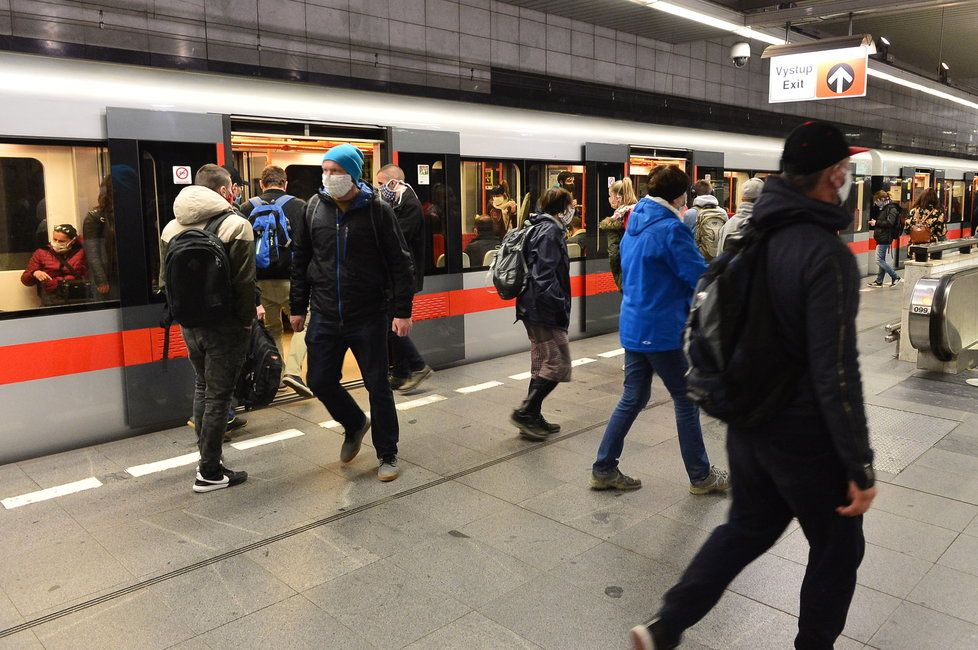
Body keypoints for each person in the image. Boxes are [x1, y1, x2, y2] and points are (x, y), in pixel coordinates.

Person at [631, 121, 876, 650]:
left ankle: (665, 624)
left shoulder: (753, 235)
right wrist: (858, 464)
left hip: (747, 419)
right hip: (802, 434)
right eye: (846, 170)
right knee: (839, 546)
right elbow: (835, 369)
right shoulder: (827, 256)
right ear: (833, 177)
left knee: (745, 527)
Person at [590, 165, 728, 494]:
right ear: (680, 196)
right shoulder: (670, 228)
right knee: (685, 399)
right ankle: (701, 475)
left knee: (633, 396)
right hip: (662, 330)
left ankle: (604, 467)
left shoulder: (633, 223)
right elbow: (696, 275)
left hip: (634, 325)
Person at [290, 144, 415, 482]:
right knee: (318, 379)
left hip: (368, 315)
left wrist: (402, 311)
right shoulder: (313, 208)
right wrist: (297, 306)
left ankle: (387, 453)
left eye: (336, 171)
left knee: (378, 385)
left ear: (354, 174)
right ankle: (355, 423)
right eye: (325, 170)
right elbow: (301, 258)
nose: (328, 177)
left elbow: (400, 263)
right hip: (326, 313)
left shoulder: (377, 211)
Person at [160, 164, 256, 493]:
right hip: (225, 326)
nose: (234, 192)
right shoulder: (236, 225)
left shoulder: (171, 227)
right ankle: (210, 472)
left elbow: (163, 283)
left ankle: (206, 460)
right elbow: (244, 283)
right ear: (223, 190)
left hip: (189, 325)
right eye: (231, 187)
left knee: (203, 388)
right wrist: (246, 320)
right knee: (219, 397)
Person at [239, 165, 313, 397]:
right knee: (304, 325)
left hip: (261, 284)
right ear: (285, 183)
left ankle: (278, 375)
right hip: (293, 282)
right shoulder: (300, 206)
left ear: (262, 184)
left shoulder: (246, 207)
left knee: (273, 329)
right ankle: (293, 371)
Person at [510, 187, 574, 441]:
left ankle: (533, 417)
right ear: (562, 208)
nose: (573, 210)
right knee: (559, 363)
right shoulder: (551, 231)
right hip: (543, 308)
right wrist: (559, 307)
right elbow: (544, 277)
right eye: (571, 206)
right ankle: (525, 412)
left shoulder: (536, 225)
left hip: (531, 306)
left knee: (541, 363)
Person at [375, 163, 433, 393]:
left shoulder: (410, 205)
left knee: (393, 324)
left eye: (381, 184)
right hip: (394, 275)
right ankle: (400, 373)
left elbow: (396, 239)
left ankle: (418, 366)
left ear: (393, 182)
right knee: (390, 323)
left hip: (403, 275)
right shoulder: (396, 201)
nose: (379, 189)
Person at [21, 223, 88, 307]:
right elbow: (25, 280)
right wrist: (35, 273)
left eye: (61, 241)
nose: (56, 243)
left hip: (78, 296)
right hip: (51, 297)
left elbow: (91, 273)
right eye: (54, 239)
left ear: (72, 241)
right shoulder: (41, 252)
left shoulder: (82, 252)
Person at [599, 177, 637, 290]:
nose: (609, 199)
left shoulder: (618, 218)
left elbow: (614, 253)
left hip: (627, 272)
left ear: (618, 197)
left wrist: (618, 279)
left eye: (610, 195)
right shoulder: (637, 210)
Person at [83, 174, 118, 299]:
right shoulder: (95, 217)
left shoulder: (129, 214)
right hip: (108, 275)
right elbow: (92, 252)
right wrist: (100, 279)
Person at [717, 177, 764, 254]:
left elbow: (719, 254)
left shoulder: (728, 224)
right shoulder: (762, 226)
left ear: (742, 199)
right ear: (762, 199)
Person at [867, 190, 902, 288]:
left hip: (885, 237)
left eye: (876, 201)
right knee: (881, 259)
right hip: (882, 237)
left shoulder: (891, 209)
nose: (875, 203)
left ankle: (895, 277)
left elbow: (890, 223)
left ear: (880, 199)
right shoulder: (886, 208)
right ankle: (879, 281)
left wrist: (876, 223)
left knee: (878, 260)